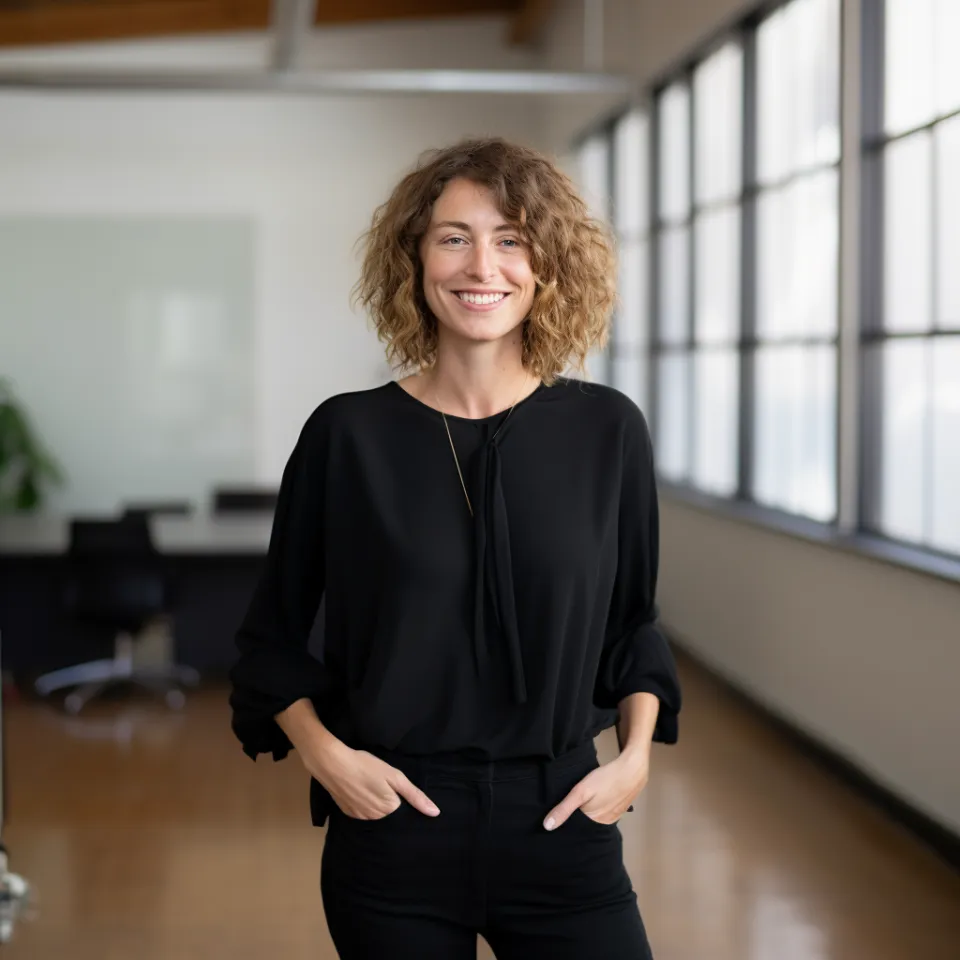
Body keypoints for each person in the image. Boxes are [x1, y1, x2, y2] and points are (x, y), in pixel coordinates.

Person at [228, 137, 682, 959]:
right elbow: (271, 638)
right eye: (454, 238)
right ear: (415, 258)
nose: (482, 266)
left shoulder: (607, 430)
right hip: (393, 827)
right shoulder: (347, 436)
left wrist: (636, 758)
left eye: (511, 239)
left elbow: (633, 623)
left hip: (563, 819)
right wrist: (329, 760)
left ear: (547, 265)